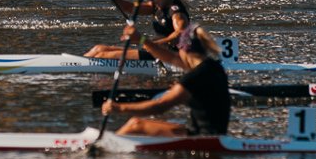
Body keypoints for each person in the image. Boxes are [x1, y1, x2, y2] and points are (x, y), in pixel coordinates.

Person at [99, 23, 231, 137]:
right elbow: (170, 58)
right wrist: (142, 40)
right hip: (208, 132)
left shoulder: (194, 77)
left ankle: (105, 146)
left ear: (184, 50)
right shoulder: (213, 66)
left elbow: (160, 106)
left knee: (136, 124)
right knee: (140, 123)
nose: (177, 54)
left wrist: (119, 108)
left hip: (203, 139)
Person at [84, 0, 192, 60]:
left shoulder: (177, 13)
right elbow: (131, 8)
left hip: (170, 56)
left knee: (101, 56)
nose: (151, 0)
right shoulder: (157, 5)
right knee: (99, 48)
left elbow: (180, 35)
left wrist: (150, 43)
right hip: (155, 50)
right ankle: (75, 63)